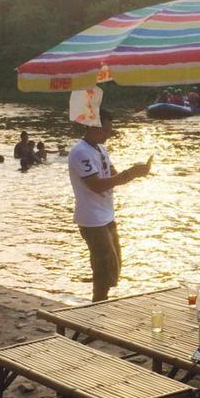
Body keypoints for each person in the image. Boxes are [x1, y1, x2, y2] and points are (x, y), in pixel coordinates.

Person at [69, 110, 152, 301]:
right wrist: (128, 174)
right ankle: (98, 306)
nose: (108, 135)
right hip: (92, 218)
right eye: (105, 131)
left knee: (114, 265)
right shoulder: (80, 152)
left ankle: (101, 303)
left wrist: (135, 172)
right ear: (93, 127)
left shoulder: (100, 148)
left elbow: (113, 175)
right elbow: (96, 185)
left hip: (106, 214)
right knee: (103, 267)